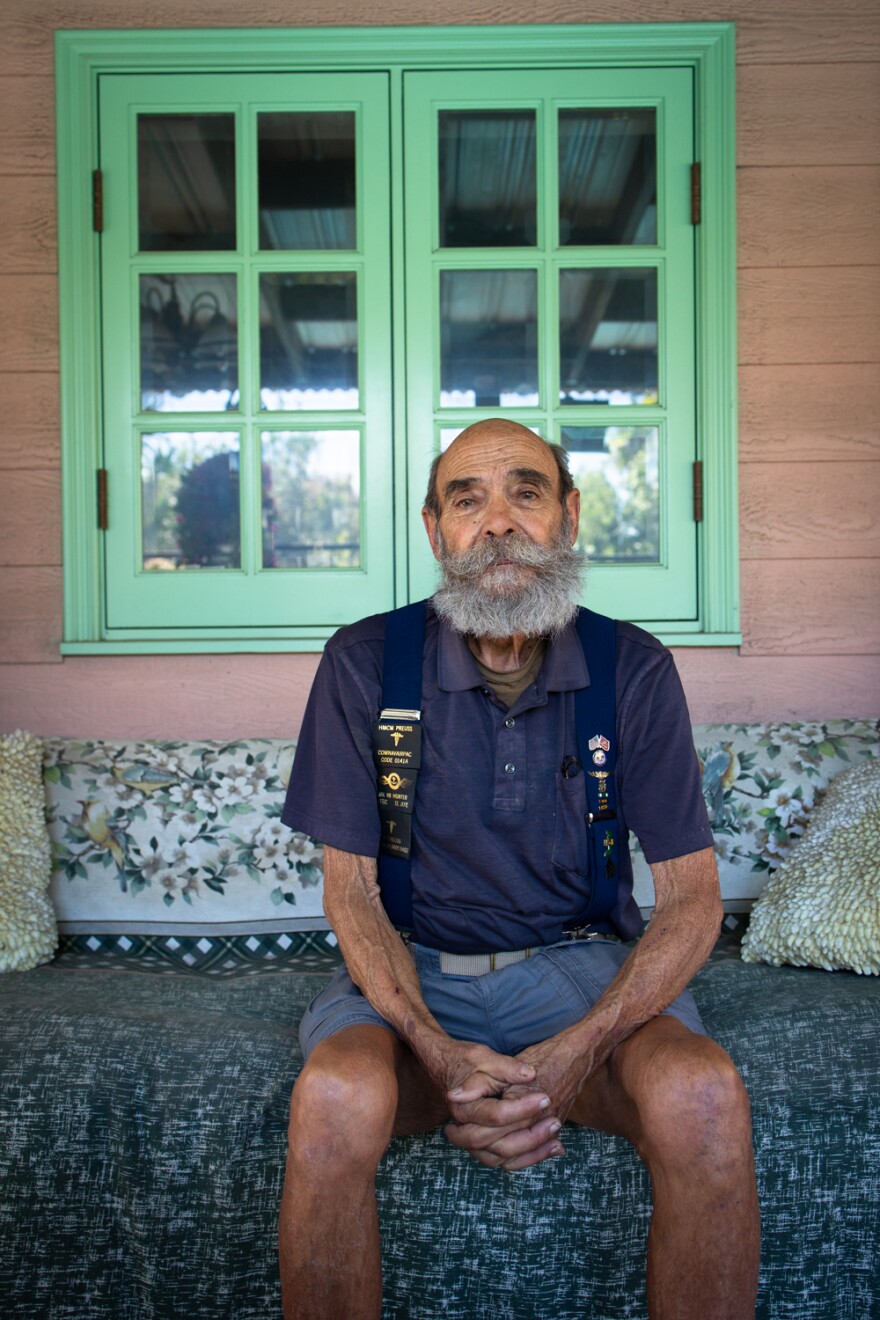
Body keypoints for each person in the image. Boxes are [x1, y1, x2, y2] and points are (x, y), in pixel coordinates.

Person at [278, 418, 760, 1319]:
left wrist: (582, 1047)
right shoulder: (365, 663)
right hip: (408, 971)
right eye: (468, 500)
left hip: (580, 970)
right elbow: (348, 894)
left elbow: (692, 900)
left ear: (568, 516)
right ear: (435, 532)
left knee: (700, 1095)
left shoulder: (634, 668)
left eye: (526, 493)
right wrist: (434, 1047)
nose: (498, 523)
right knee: (337, 1095)